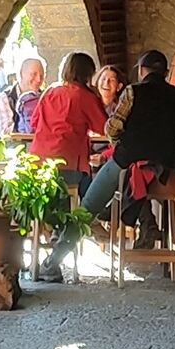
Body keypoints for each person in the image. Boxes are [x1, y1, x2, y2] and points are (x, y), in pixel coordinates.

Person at [82, 50, 175, 248]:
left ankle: (54, 261)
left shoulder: (133, 91)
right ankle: (145, 223)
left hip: (128, 161)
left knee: (87, 207)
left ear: (141, 70)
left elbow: (112, 127)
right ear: (165, 73)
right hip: (165, 168)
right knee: (135, 180)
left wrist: (116, 144)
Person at [28, 51, 107, 282]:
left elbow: (34, 122)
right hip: (70, 163)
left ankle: (57, 233)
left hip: (39, 163)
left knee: (61, 200)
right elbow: (103, 127)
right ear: (88, 73)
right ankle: (68, 238)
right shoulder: (84, 96)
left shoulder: (50, 92)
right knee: (86, 198)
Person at [0, 56, 45, 136]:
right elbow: (6, 133)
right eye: (34, 74)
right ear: (21, 73)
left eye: (42, 76)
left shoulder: (45, 98)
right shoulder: (5, 98)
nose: (39, 79)